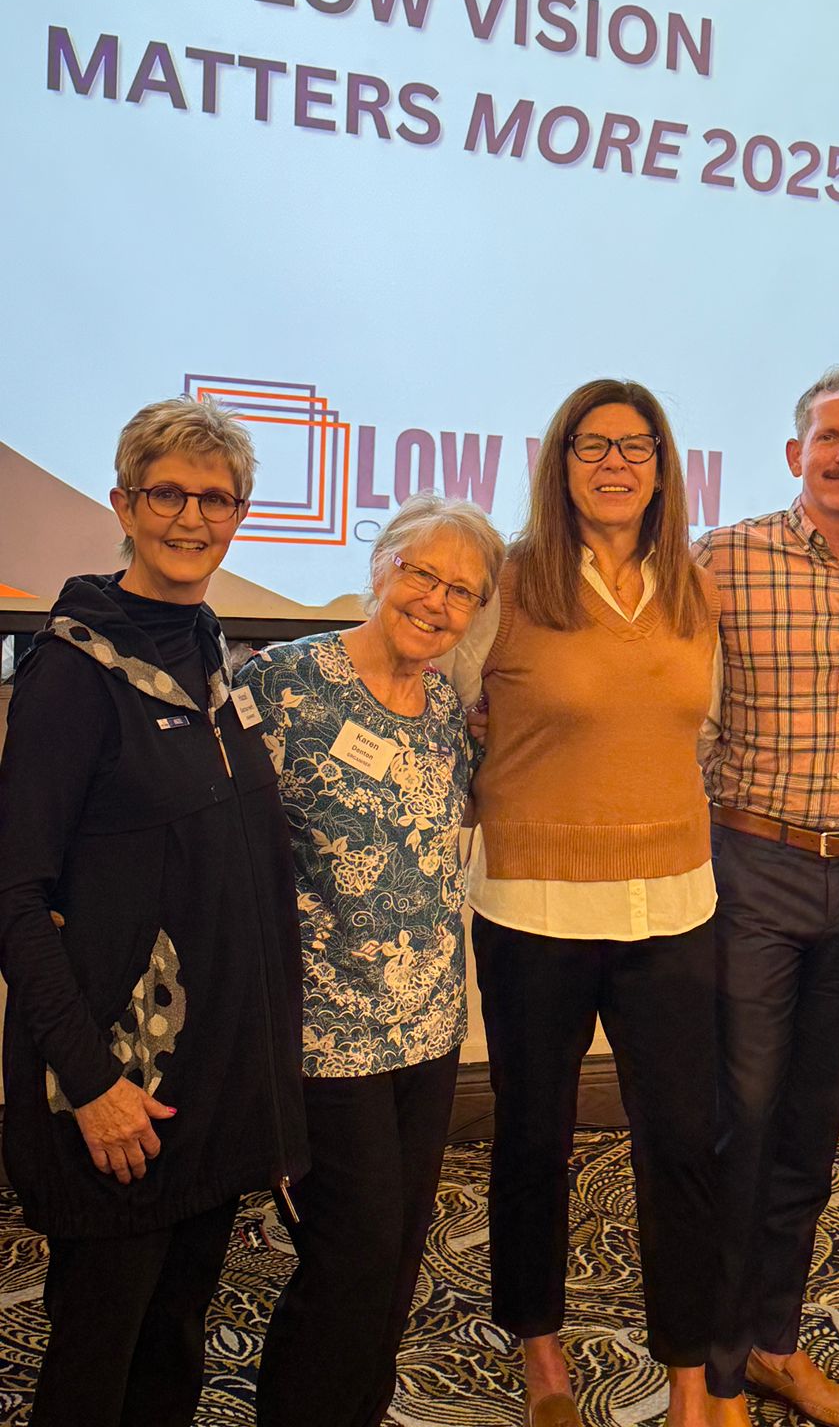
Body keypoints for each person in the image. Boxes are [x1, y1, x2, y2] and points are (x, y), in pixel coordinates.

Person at [0, 397, 308, 1427]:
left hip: (208, 1090)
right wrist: (91, 1084)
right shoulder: (72, 674)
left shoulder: (214, 658)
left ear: (240, 516)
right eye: (167, 494)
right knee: (99, 1358)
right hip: (120, 1092)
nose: (191, 517)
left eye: (215, 499)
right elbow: (14, 894)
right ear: (123, 505)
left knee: (172, 1346)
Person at [452, 379, 721, 1427]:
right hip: (536, 906)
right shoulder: (508, 582)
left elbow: (698, 727)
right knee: (534, 1140)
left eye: (636, 446)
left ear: (663, 467)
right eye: (592, 445)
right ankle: (544, 1357)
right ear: (559, 464)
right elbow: (447, 708)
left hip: (672, 906)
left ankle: (690, 1378)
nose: (615, 464)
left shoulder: (695, 587)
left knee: (683, 1145)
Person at [236, 494, 505, 1427]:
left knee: (395, 1260)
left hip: (429, 1026)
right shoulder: (283, 682)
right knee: (350, 1254)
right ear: (380, 565)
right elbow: (225, 845)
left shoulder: (446, 710)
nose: (437, 601)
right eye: (422, 573)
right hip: (324, 1032)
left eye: (462, 591)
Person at [694, 366, 839, 1427]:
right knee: (740, 1121)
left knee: (813, 1124)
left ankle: (777, 1346)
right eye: (827, 437)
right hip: (755, 866)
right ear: (796, 455)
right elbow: (672, 695)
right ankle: (715, 1369)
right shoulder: (725, 556)